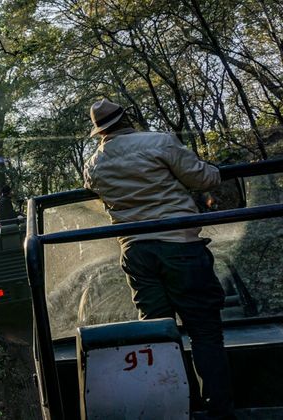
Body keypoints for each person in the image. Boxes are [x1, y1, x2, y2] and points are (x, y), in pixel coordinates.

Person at [83, 98, 234, 419]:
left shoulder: (93, 163)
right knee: (205, 330)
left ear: (100, 132)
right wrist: (213, 171)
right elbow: (203, 179)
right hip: (180, 245)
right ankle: (219, 411)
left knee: (159, 334)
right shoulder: (160, 142)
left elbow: (93, 187)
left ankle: (181, 408)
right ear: (127, 118)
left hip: (136, 253)